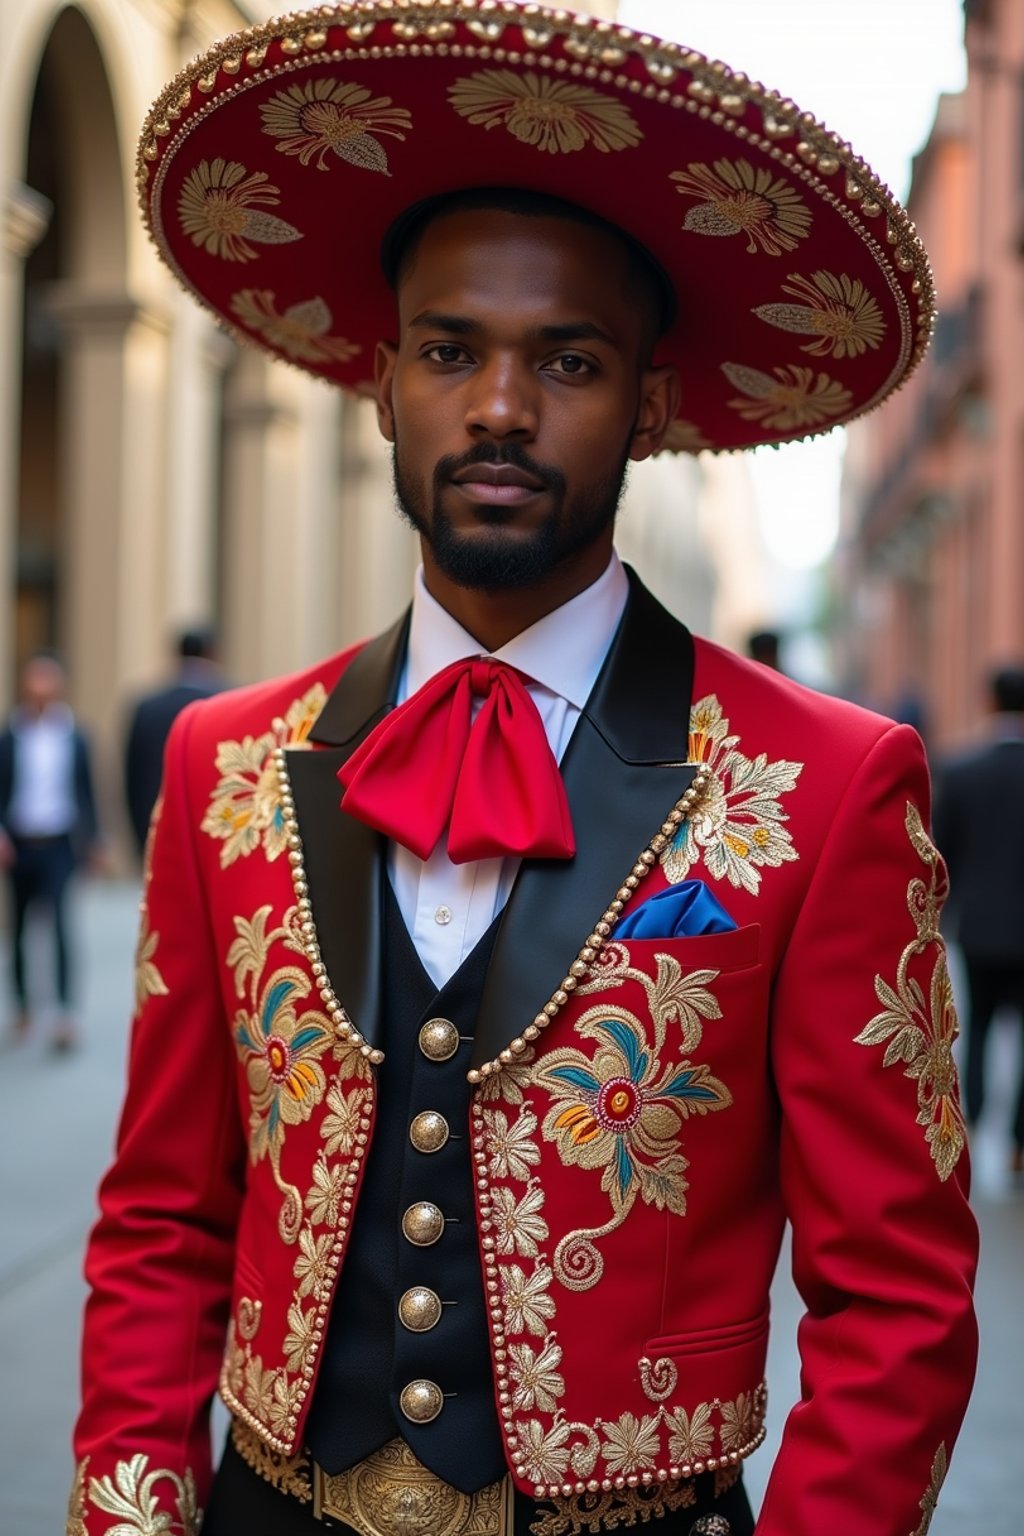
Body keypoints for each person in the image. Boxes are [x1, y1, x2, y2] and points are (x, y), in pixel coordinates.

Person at [68, 7, 978, 1536]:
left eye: (567, 358)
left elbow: (899, 1304)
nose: (498, 407)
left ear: (651, 404)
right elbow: (158, 1229)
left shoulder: (823, 789)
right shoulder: (224, 768)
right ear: (381, 384)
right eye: (450, 351)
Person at [933, 664, 1024, 1174]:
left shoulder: (963, 772)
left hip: (980, 927)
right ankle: (1018, 1146)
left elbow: (939, 856)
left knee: (980, 1028)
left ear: (990, 702)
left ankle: (969, 1129)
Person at [0, 651, 101, 1049]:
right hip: (20, 843)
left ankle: (64, 1013)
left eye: (47, 680)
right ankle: (24, 1006)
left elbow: (87, 792)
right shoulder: (10, 735)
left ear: (60, 687)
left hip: (60, 842)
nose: (40, 688)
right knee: (21, 927)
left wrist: (94, 839)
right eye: (33, 680)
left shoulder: (76, 736)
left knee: (60, 924)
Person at [123, 626, 227, 858]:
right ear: (212, 653)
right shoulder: (228, 701)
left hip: (158, 825)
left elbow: (132, 779)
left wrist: (140, 837)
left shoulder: (147, 707)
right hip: (213, 827)